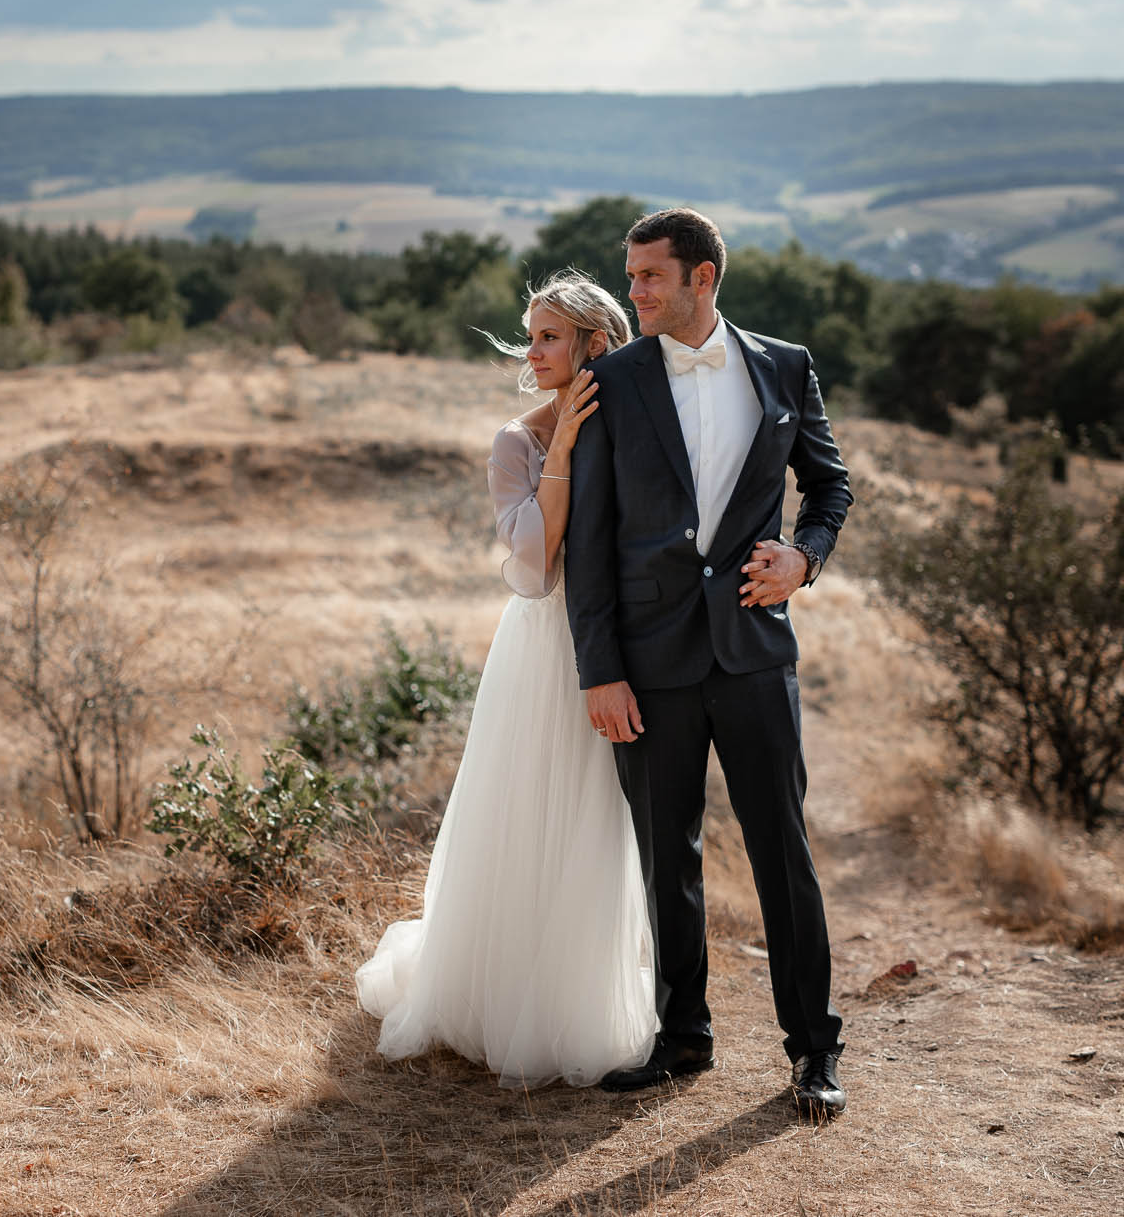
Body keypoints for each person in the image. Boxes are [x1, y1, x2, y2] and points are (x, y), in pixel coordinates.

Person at [565, 208, 853, 1115]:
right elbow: (591, 543)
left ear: (703, 279)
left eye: (650, 276)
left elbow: (830, 482)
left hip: (756, 649)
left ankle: (814, 1050)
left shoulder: (786, 366)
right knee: (665, 854)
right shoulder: (610, 377)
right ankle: (682, 1035)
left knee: (783, 854)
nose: (634, 291)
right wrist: (598, 667)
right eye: (632, 275)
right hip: (649, 659)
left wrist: (805, 556)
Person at [355, 270, 658, 1089]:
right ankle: (498, 996)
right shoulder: (515, 442)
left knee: (595, 818)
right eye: (531, 336)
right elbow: (534, 563)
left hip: (623, 649)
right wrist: (560, 449)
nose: (533, 352)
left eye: (550, 336)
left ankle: (576, 995)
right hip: (543, 648)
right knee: (525, 807)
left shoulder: (638, 420)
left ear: (597, 342)